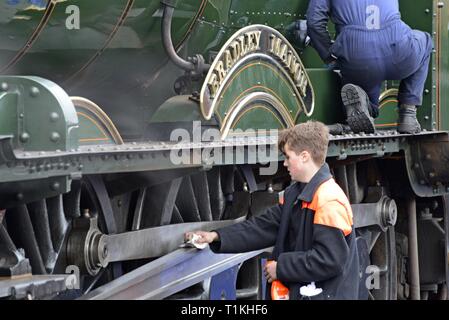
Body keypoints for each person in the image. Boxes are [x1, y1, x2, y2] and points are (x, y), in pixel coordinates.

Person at [185, 121, 360, 300]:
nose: (284, 163)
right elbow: (262, 227)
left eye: (288, 156)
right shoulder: (296, 194)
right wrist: (216, 236)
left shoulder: (328, 201)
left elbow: (329, 260)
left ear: (304, 156)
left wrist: (282, 268)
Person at [306, 0, 432, 134]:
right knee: (426, 41)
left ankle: (365, 106)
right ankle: (408, 113)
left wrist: (328, 54)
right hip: (398, 48)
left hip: (357, 53)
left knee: (364, 80)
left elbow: (314, 22)